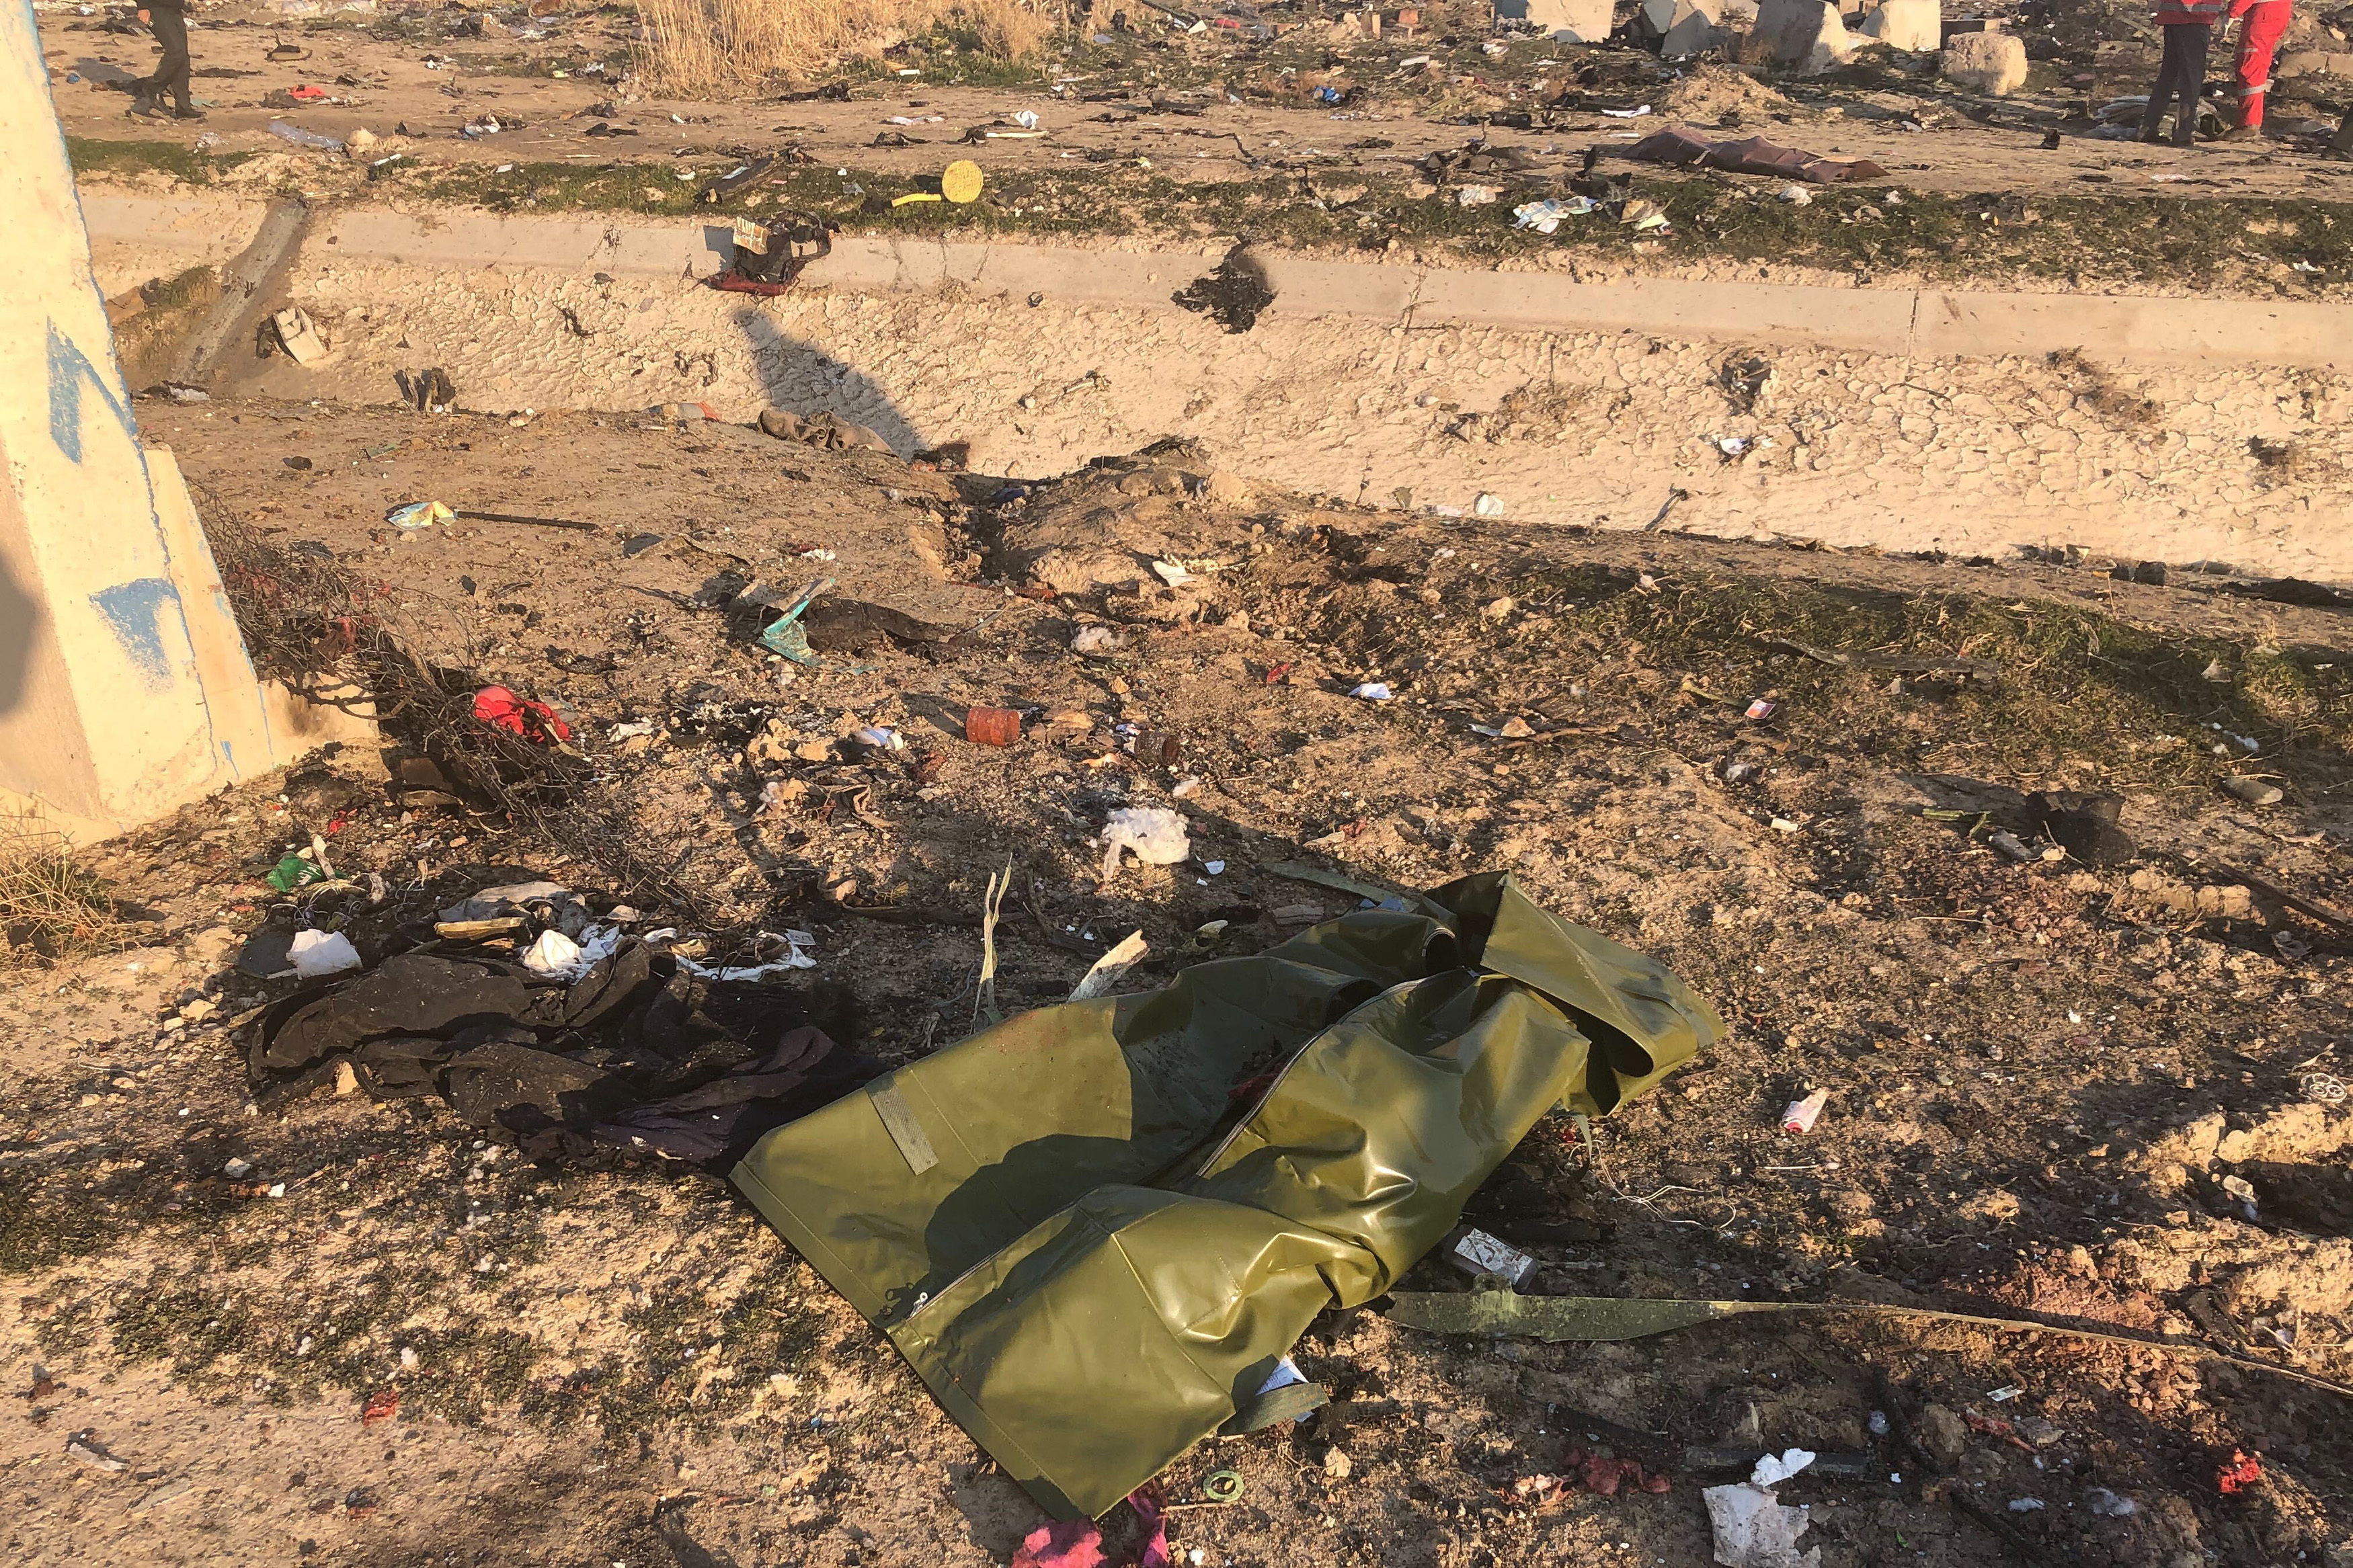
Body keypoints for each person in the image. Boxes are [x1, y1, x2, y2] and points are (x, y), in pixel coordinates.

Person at [2142, 0, 2223, 145]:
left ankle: (2148, 128)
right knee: (2192, 78)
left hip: (2172, 16)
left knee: (2169, 75)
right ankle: (2183, 133)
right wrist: (2233, 12)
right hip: (2194, 18)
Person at [2222, 0, 2292, 140]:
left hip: (2263, 15)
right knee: (2257, 64)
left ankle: (2249, 124)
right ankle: (2250, 122)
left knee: (2250, 66)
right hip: (2275, 12)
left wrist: (2232, 12)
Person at [130, 0, 202, 122]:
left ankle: (183, 107)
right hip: (156, 9)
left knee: (183, 57)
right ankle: (153, 87)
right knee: (176, 53)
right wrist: (143, 7)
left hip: (174, 10)